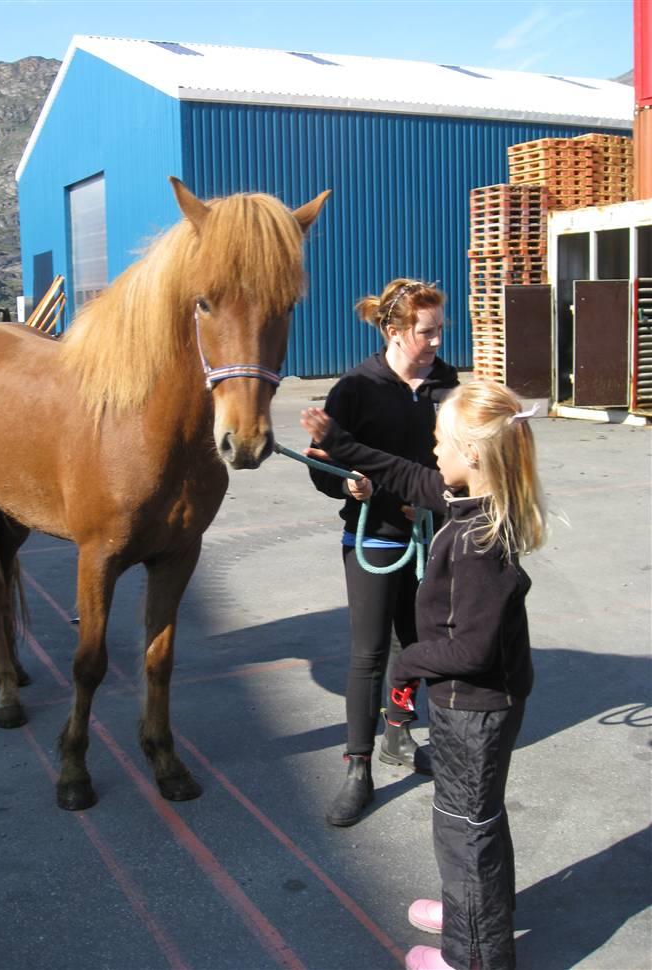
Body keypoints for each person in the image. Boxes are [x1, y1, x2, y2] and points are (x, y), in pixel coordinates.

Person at [301, 380, 546, 970]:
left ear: (475, 456)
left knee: (462, 828)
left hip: (473, 707)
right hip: (484, 703)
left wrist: (407, 664)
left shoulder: (475, 542)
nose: (432, 453)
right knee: (477, 817)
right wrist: (342, 443)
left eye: (440, 443)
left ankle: (474, 955)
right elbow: (406, 476)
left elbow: (472, 650)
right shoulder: (479, 506)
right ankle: (480, 910)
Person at [307, 279, 458, 828]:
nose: (439, 339)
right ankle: (358, 767)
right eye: (428, 331)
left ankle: (399, 729)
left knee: (418, 641)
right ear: (394, 332)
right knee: (369, 651)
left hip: (432, 535)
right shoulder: (356, 388)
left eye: (441, 327)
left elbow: (452, 452)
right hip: (375, 536)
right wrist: (349, 486)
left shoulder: (443, 381)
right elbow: (323, 467)